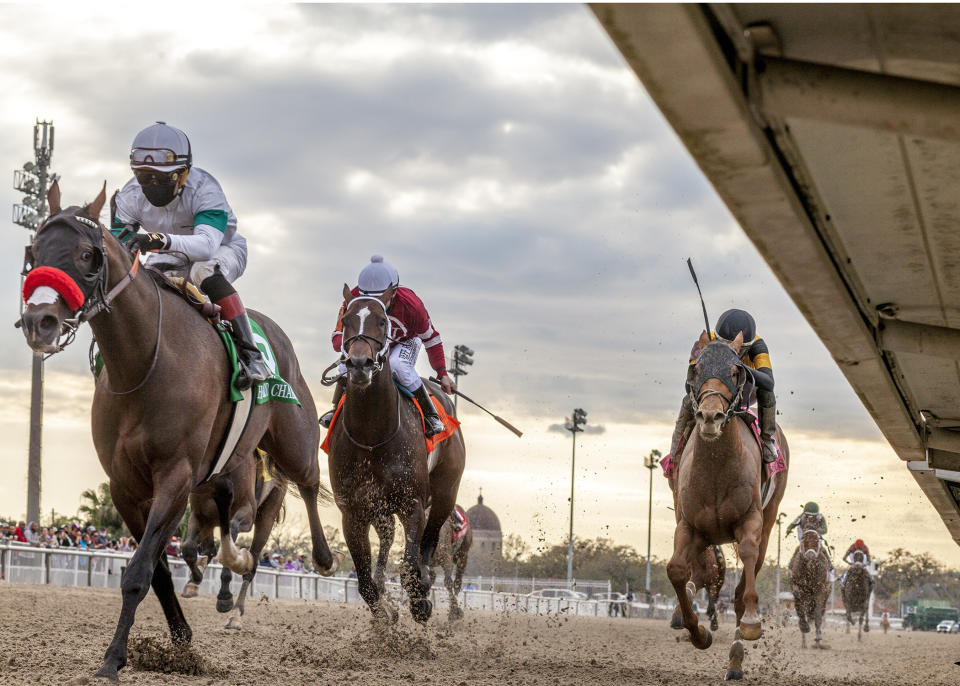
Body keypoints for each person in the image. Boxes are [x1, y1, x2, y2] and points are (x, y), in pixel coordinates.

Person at [113, 122, 269, 390]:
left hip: (223, 248)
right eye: (144, 177)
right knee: (144, 283)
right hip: (169, 252)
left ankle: (252, 355)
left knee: (203, 271)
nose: (152, 185)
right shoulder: (129, 196)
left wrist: (157, 240)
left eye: (162, 178)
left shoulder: (206, 189)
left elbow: (207, 246)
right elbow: (119, 249)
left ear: (183, 174)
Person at [321, 255, 456, 436]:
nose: (375, 305)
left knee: (399, 366)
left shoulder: (412, 306)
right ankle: (335, 410)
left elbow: (431, 339)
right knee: (346, 365)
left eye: (381, 298)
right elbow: (338, 339)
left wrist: (443, 373)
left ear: (393, 292)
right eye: (366, 298)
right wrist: (352, 345)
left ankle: (430, 414)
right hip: (370, 342)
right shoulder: (352, 300)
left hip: (405, 341)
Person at [666, 309, 777, 468]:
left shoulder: (758, 345)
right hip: (715, 387)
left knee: (768, 394)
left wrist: (738, 366)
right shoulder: (704, 342)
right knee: (687, 400)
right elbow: (688, 384)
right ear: (716, 338)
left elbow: (769, 382)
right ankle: (676, 447)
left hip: (746, 387)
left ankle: (767, 439)